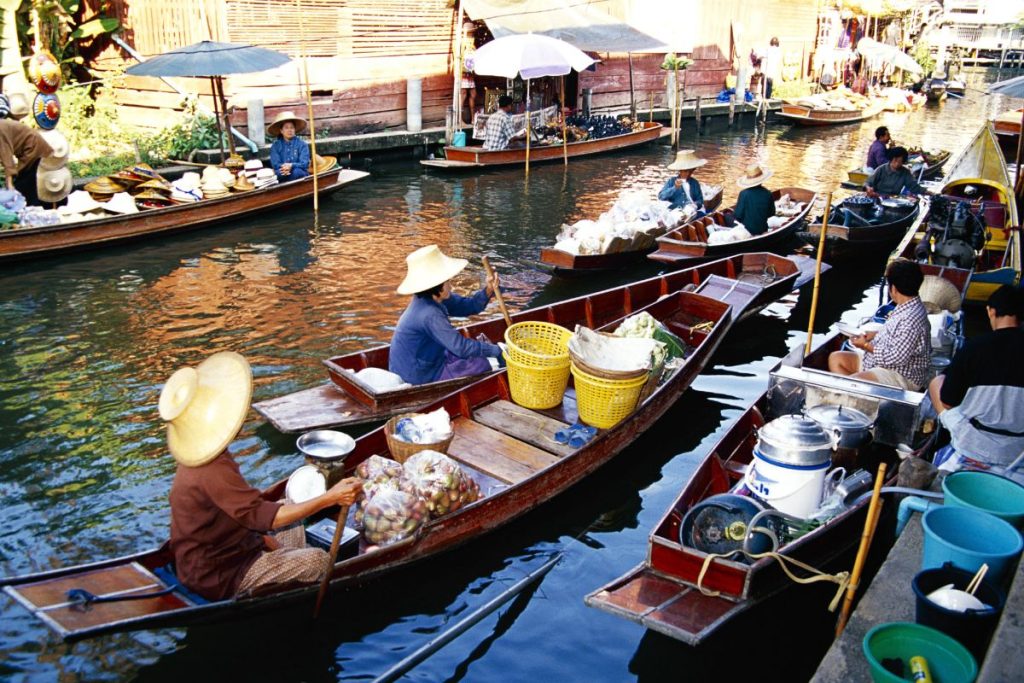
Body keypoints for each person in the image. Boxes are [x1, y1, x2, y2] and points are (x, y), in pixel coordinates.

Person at [162, 351, 362, 601]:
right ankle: (289, 564)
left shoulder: (205, 458)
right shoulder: (211, 468)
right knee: (317, 560)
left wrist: (265, 540)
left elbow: (243, 513)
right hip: (222, 575)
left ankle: (285, 560)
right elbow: (259, 516)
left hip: (234, 548)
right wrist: (330, 498)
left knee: (289, 508)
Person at [928, 285, 1024, 468]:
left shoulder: (975, 347)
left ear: (991, 311)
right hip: (1019, 449)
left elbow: (948, 402)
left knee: (936, 381)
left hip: (975, 443)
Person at [389, 245, 504, 384]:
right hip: (420, 374)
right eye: (447, 282)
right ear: (437, 286)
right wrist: (498, 350)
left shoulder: (436, 298)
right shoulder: (429, 314)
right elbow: (461, 348)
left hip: (431, 358)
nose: (451, 285)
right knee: (483, 363)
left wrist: (488, 290)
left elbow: (470, 306)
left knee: (481, 352)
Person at [828, 259, 932, 391]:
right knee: (835, 359)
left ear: (893, 288)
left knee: (853, 383)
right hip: (882, 363)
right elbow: (899, 335)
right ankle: (858, 394)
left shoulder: (911, 318)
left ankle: (855, 394)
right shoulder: (907, 305)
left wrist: (865, 345)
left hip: (901, 374)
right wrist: (874, 335)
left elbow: (896, 358)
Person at [0, 94, 54, 206]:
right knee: (31, 184)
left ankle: (35, 212)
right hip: (34, 149)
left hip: (34, 150)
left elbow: (7, 158)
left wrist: (10, 185)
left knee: (23, 187)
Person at [733, 164, 776, 235]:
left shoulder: (744, 194)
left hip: (746, 231)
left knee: (728, 217)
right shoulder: (768, 193)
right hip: (762, 229)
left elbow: (738, 215)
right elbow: (771, 213)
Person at [268, 111, 311, 182]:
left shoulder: (302, 144)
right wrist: (285, 167)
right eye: (286, 128)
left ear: (295, 129)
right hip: (282, 172)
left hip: (298, 173)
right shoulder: (275, 146)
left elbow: (304, 164)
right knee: (279, 174)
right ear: (281, 131)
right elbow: (275, 164)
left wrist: (291, 165)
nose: (289, 130)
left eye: (292, 127)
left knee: (297, 172)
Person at [459, 21, 477, 126]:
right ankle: (460, 119)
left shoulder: (472, 43)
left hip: (470, 72)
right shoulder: (461, 43)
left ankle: (473, 119)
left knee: (473, 94)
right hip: (463, 72)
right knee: (463, 95)